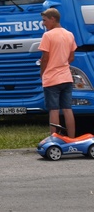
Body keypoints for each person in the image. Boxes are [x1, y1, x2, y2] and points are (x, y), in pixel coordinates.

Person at [39, 8, 77, 138]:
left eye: (44, 20)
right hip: (66, 77)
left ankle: (54, 138)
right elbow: (71, 57)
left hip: (52, 79)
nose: (43, 23)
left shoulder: (48, 36)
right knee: (67, 109)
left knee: (54, 110)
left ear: (52, 19)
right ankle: (72, 138)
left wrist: (42, 72)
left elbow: (45, 58)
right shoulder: (69, 34)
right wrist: (61, 61)